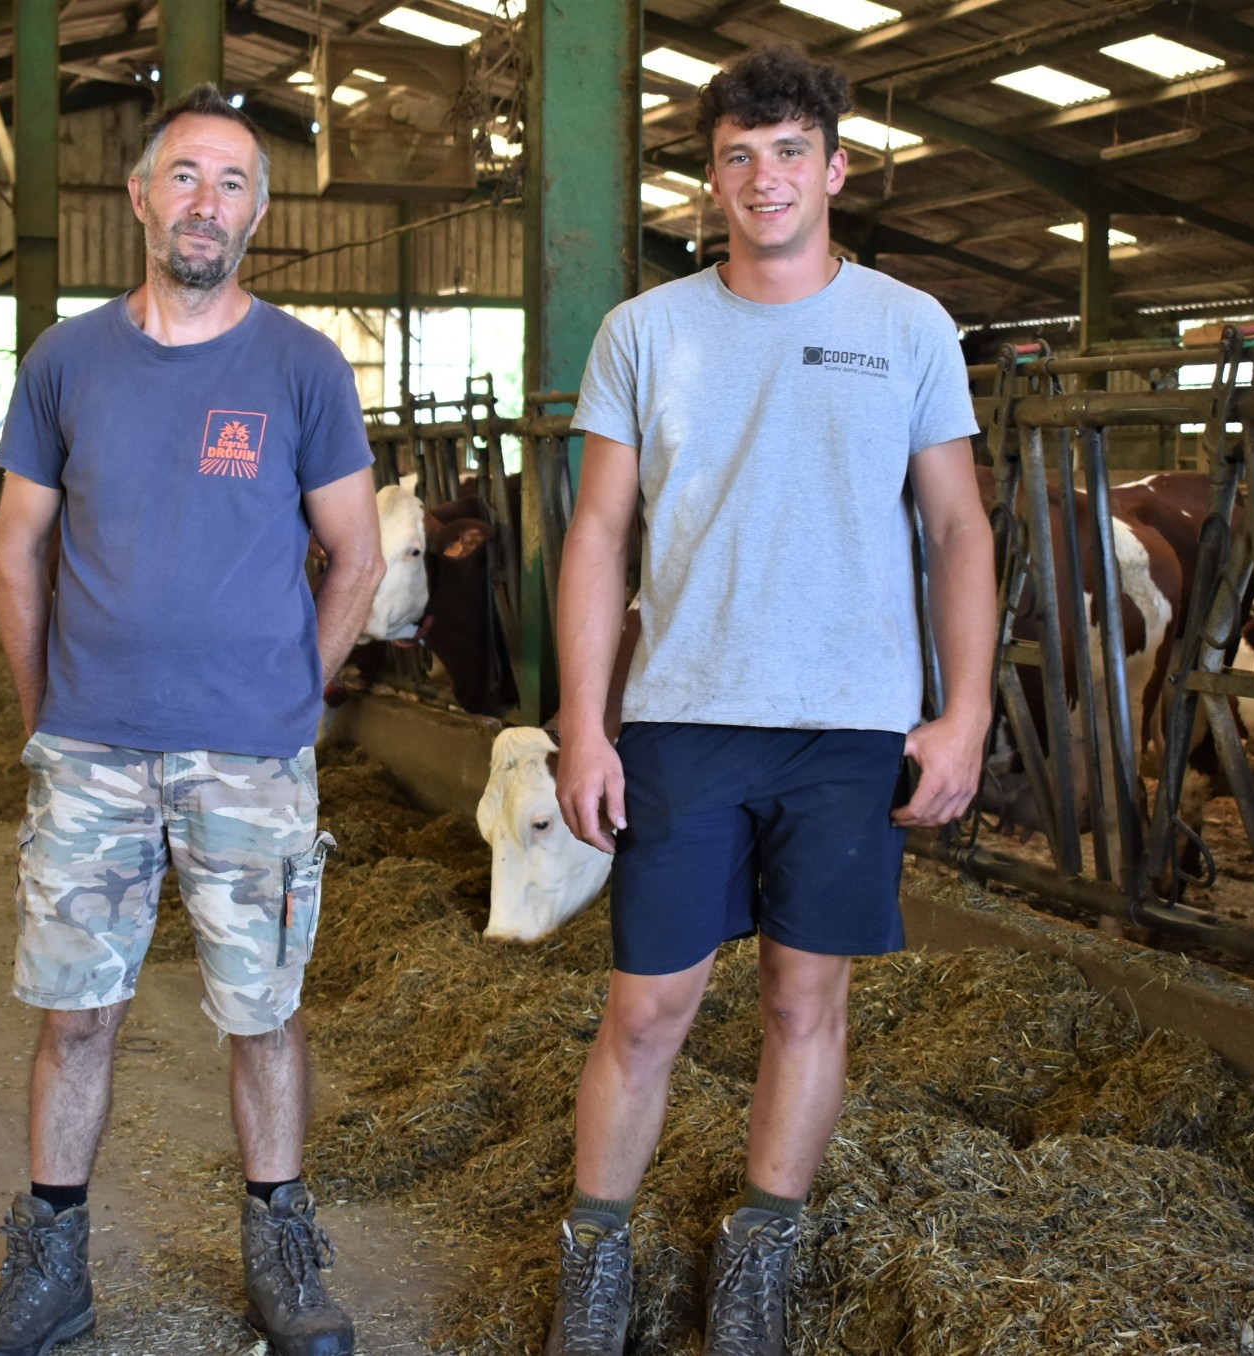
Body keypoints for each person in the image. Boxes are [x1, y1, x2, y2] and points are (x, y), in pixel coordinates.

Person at [543, 45, 996, 1356]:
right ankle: (597, 1255)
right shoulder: (645, 330)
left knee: (808, 1000)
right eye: (739, 154)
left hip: (849, 724)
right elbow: (596, 535)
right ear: (711, 177)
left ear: (837, 166)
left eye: (791, 150)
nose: (766, 176)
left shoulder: (909, 328)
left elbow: (960, 528)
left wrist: (961, 712)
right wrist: (584, 720)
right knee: (649, 1003)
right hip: (685, 710)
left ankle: (758, 1253)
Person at [0, 84, 384, 1356]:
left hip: (248, 757)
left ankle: (281, 1253)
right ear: (140, 197)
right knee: (75, 1012)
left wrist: (284, 704)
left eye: (235, 182)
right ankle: (50, 1266)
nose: (208, 202)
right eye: (185, 176)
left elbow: (354, 559)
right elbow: (15, 555)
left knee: (262, 1007)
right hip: (90, 752)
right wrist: (47, 714)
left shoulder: (302, 366)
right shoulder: (66, 359)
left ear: (259, 213)